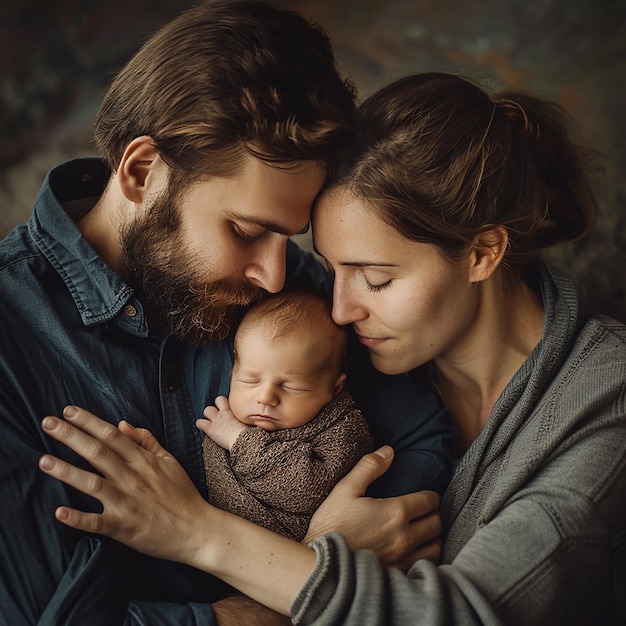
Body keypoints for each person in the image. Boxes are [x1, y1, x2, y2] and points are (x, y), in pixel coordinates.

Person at [40, 70, 626, 625]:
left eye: (375, 279)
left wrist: (199, 534)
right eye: (333, 270)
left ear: (482, 254)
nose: (341, 311)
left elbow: (464, 614)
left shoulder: (605, 399)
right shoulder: (350, 355)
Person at [0, 2, 453, 623]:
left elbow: (423, 440)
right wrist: (323, 573)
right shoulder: (11, 339)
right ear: (142, 172)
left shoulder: (286, 290)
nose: (274, 274)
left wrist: (320, 563)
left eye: (286, 240)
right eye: (244, 229)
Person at [198, 289, 374, 541]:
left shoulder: (343, 429)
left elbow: (306, 490)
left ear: (335, 388)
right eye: (249, 380)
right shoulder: (228, 417)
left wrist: (239, 439)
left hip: (286, 554)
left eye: (291, 387)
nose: (265, 397)